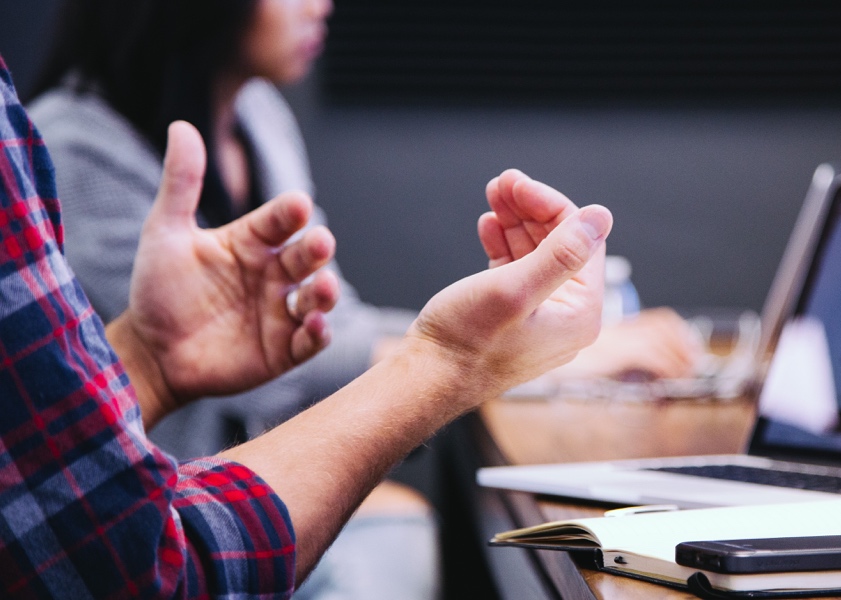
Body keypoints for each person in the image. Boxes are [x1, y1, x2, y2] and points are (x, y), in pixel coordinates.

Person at [1, 53, 613, 597]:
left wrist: (148, 360)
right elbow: (131, 569)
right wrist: (451, 361)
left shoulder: (258, 113)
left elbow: (26, 455)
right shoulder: (72, 141)